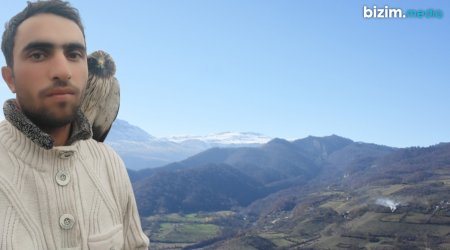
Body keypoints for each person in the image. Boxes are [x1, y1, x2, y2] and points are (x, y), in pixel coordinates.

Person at [0, 1, 150, 249]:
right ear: (10, 78)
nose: (62, 70)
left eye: (74, 55)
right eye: (38, 54)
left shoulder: (109, 163)